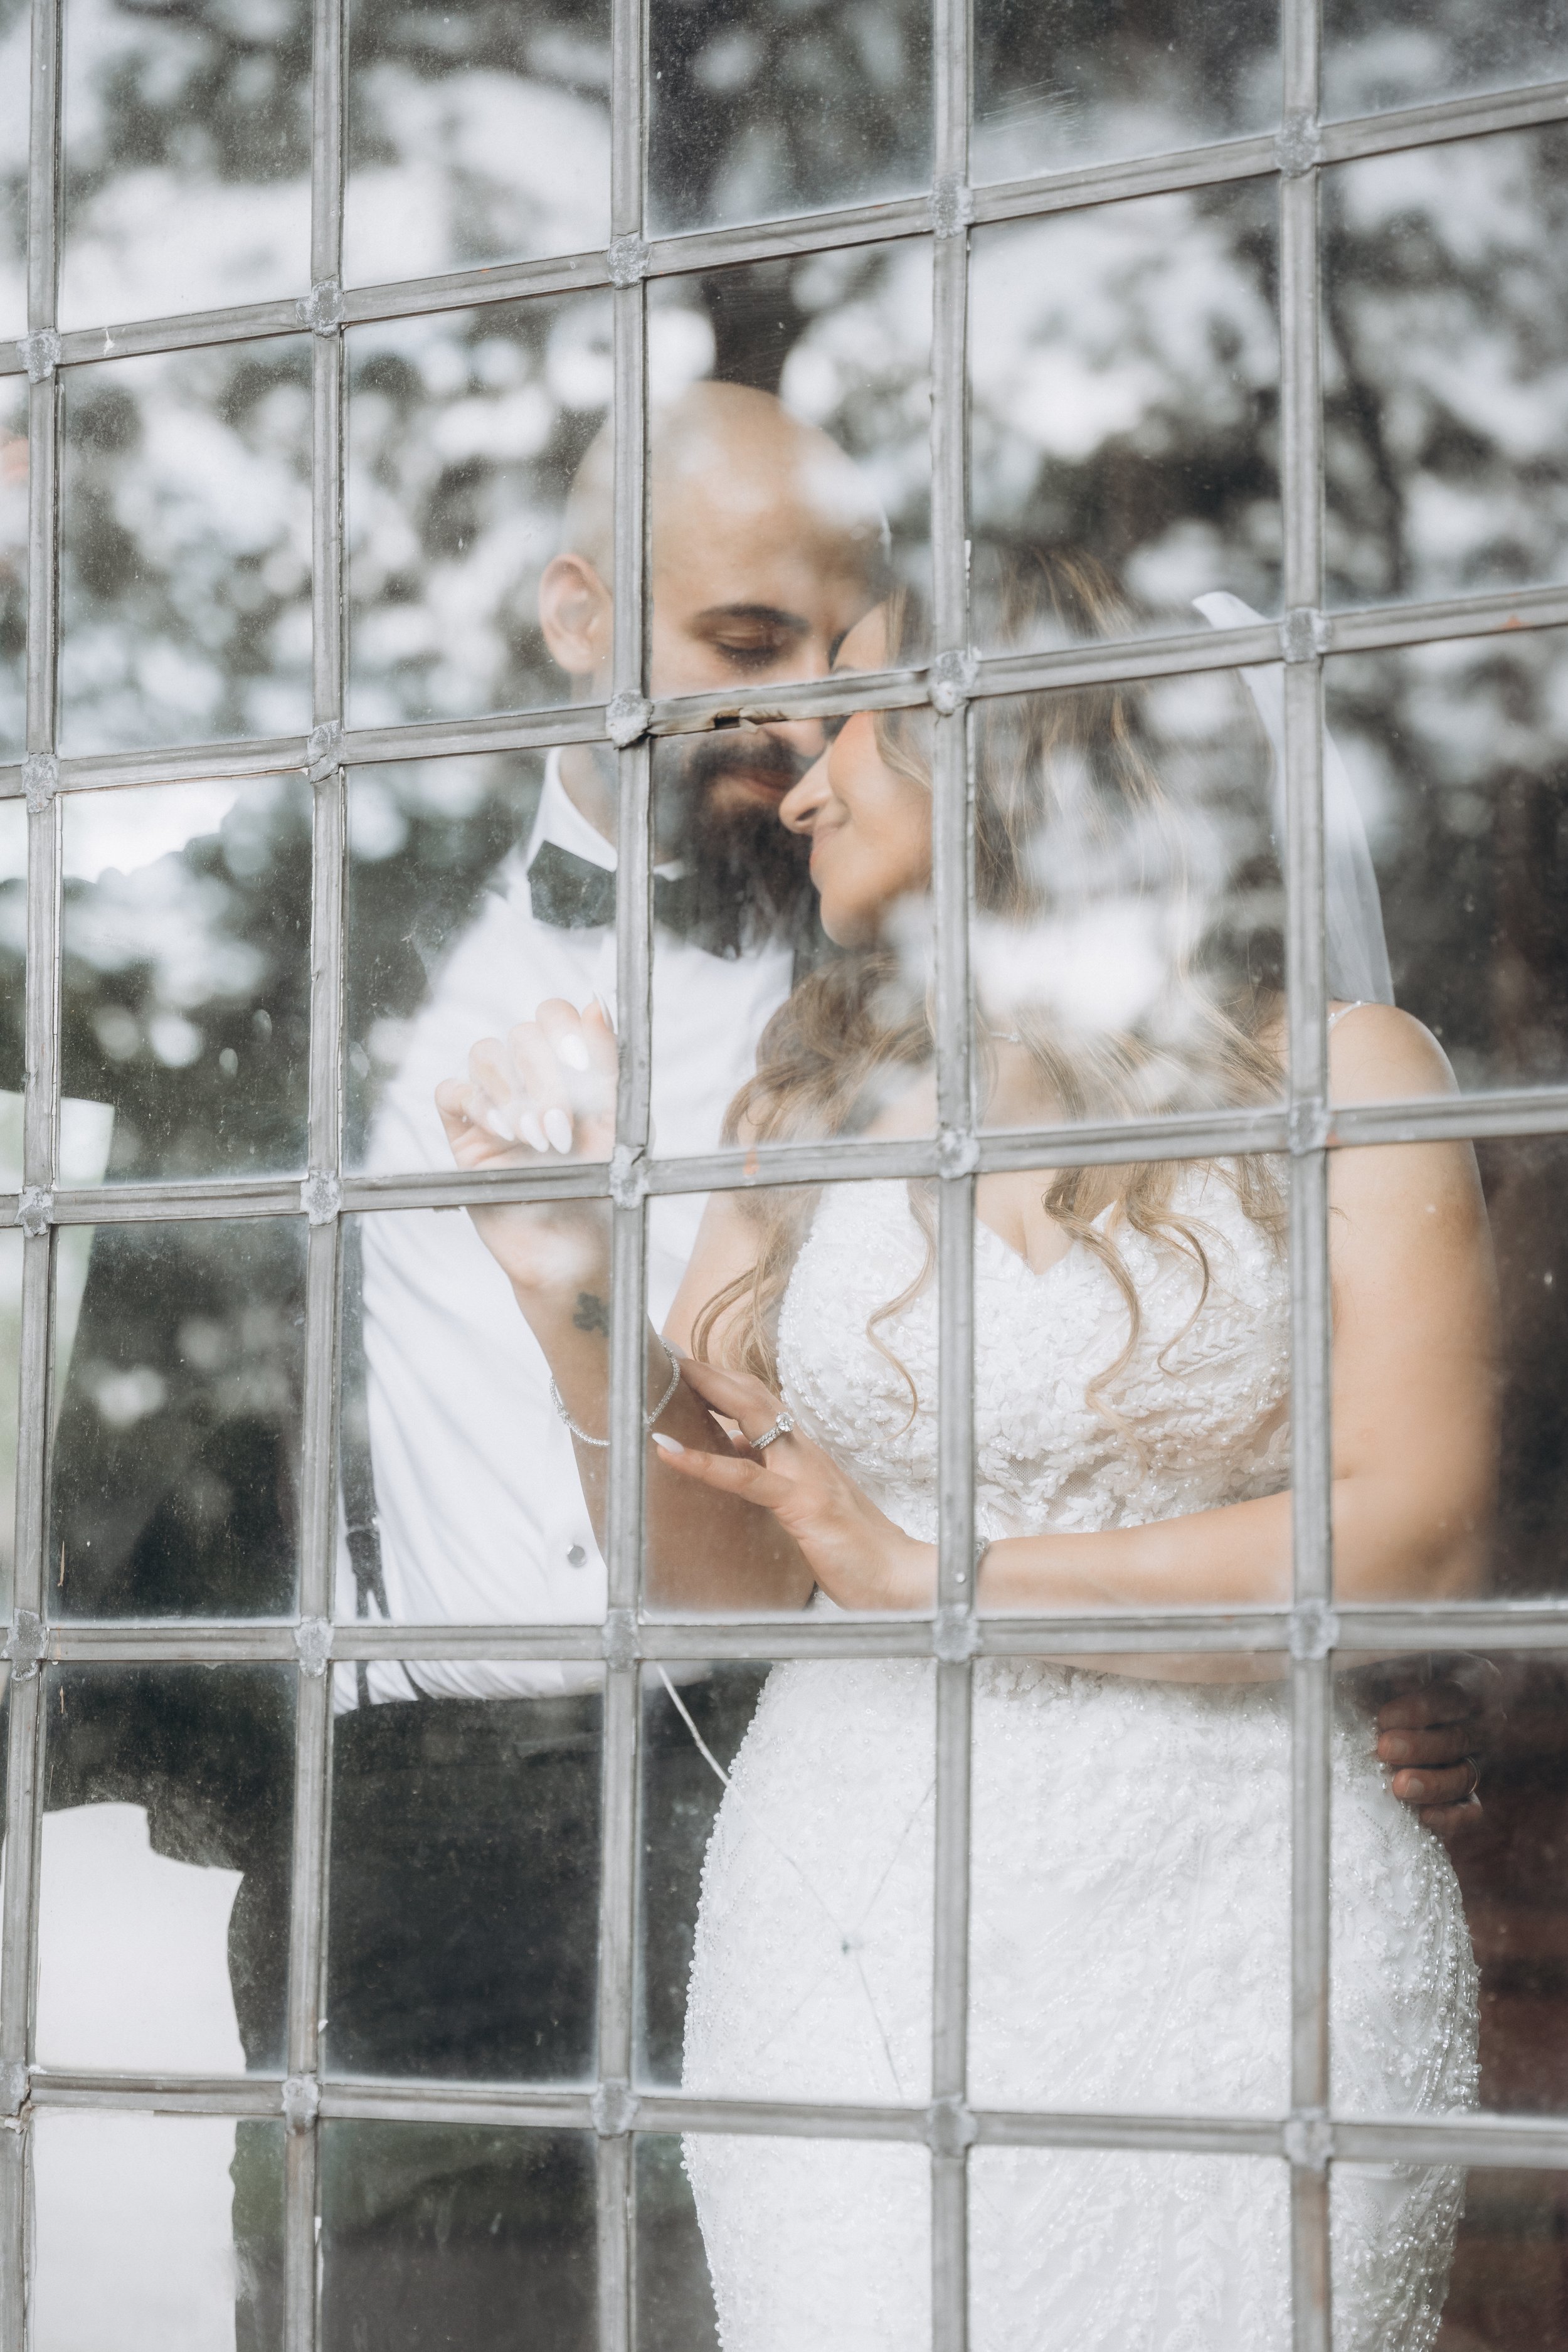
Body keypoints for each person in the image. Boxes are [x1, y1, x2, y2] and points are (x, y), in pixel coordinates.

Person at [440, 548, 1495, 2349]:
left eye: (846, 722)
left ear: (1019, 747)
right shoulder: (798, 1114)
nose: (798, 782)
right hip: (860, 1920)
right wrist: (571, 1293)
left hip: (1258, 1922)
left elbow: (1414, 1542)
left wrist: (950, 1581)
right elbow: (715, 1584)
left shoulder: (1349, 1075)